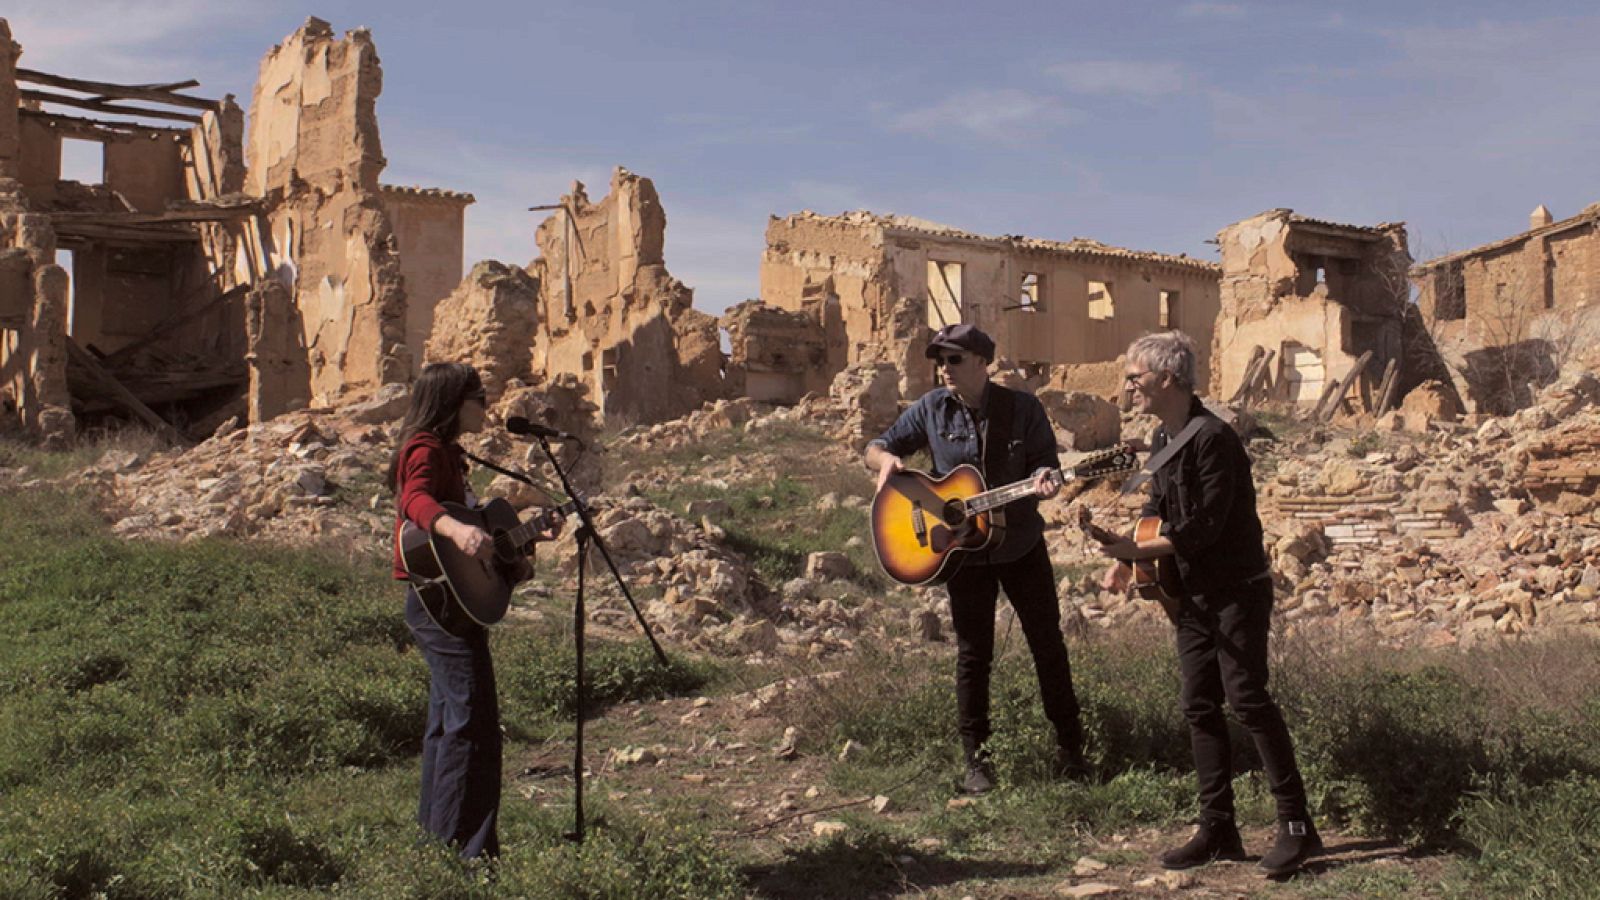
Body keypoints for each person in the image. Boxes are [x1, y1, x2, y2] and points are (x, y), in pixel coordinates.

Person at [1098, 331, 1319, 877]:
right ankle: (1218, 827)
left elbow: (1206, 526)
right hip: (1190, 592)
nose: (1128, 387)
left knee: (1248, 699)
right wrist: (1128, 561)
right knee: (1199, 704)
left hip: (1237, 589)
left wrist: (1138, 549)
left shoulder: (1215, 439)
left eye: (1135, 377)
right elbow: (1157, 506)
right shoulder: (1162, 436)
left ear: (1167, 379)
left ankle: (1297, 826)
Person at [866, 323, 1087, 794]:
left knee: (1047, 644)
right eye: (939, 360)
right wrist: (884, 461)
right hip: (961, 553)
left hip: (1020, 544)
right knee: (973, 655)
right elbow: (876, 447)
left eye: (954, 359)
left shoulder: (1022, 408)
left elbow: (1045, 465)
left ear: (983, 362)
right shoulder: (931, 408)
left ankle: (1072, 749)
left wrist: (1045, 480)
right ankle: (977, 762)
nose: (944, 369)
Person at [388, 362, 560, 859]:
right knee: (474, 727)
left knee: (448, 724)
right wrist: (456, 529)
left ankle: (436, 843)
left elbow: (484, 543)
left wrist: (528, 536)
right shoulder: (424, 448)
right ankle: (467, 854)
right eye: (479, 398)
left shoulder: (452, 454)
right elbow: (414, 501)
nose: (487, 406)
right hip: (438, 607)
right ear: (452, 402)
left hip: (453, 604)